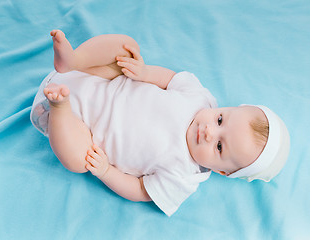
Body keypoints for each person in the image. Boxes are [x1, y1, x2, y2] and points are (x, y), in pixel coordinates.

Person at [30, 30, 290, 216]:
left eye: (220, 147)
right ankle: (73, 60)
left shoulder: (184, 177)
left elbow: (142, 190)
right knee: (127, 48)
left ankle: (59, 108)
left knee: (79, 161)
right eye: (221, 119)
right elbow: (170, 79)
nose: (210, 131)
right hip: (98, 78)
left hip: (82, 126)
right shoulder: (201, 98)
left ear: (223, 172)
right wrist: (144, 73)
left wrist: (107, 172)